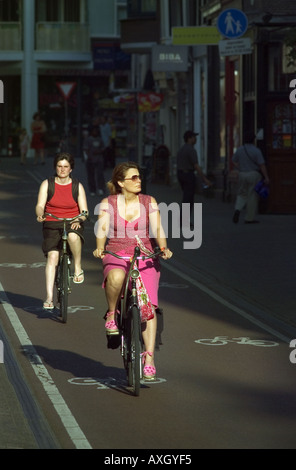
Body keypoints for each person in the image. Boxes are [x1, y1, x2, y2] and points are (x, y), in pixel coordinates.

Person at [93, 161, 173, 380]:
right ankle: (111, 313)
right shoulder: (108, 203)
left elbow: (157, 228)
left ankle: (149, 357)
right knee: (116, 277)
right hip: (117, 252)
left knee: (148, 306)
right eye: (134, 178)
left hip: (144, 254)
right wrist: (100, 247)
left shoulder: (149, 202)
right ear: (120, 182)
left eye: (139, 177)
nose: (139, 181)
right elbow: (101, 229)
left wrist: (163, 247)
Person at [35, 152, 89, 310]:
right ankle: (49, 297)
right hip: (52, 222)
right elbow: (40, 204)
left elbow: (84, 210)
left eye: (66, 166)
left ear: (71, 168)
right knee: (52, 256)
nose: (62, 169)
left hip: (73, 222)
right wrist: (40, 214)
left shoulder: (77, 186)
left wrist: (79, 219)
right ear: (55, 167)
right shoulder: (47, 184)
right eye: (59, 166)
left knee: (73, 237)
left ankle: (78, 267)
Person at [232, 131, 270, 224]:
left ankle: (237, 209)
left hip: (242, 174)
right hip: (253, 174)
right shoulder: (256, 151)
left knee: (242, 193)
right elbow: (262, 165)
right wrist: (266, 177)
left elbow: (233, 161)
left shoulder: (240, 149)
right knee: (252, 196)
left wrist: (239, 167)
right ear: (253, 140)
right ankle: (249, 218)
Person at [177, 130, 212, 228]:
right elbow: (196, 165)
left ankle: (183, 220)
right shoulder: (191, 150)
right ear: (189, 138)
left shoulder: (182, 149)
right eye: (193, 137)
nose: (195, 139)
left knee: (186, 197)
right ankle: (183, 221)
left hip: (181, 174)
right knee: (188, 199)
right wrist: (204, 179)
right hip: (188, 175)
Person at [83, 126, 105, 196]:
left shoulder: (100, 139)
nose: (95, 132)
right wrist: (88, 156)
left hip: (99, 159)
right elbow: (85, 149)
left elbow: (103, 148)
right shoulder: (88, 140)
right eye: (93, 131)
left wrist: (99, 151)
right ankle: (92, 189)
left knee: (99, 174)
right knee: (91, 175)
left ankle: (100, 188)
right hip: (91, 159)